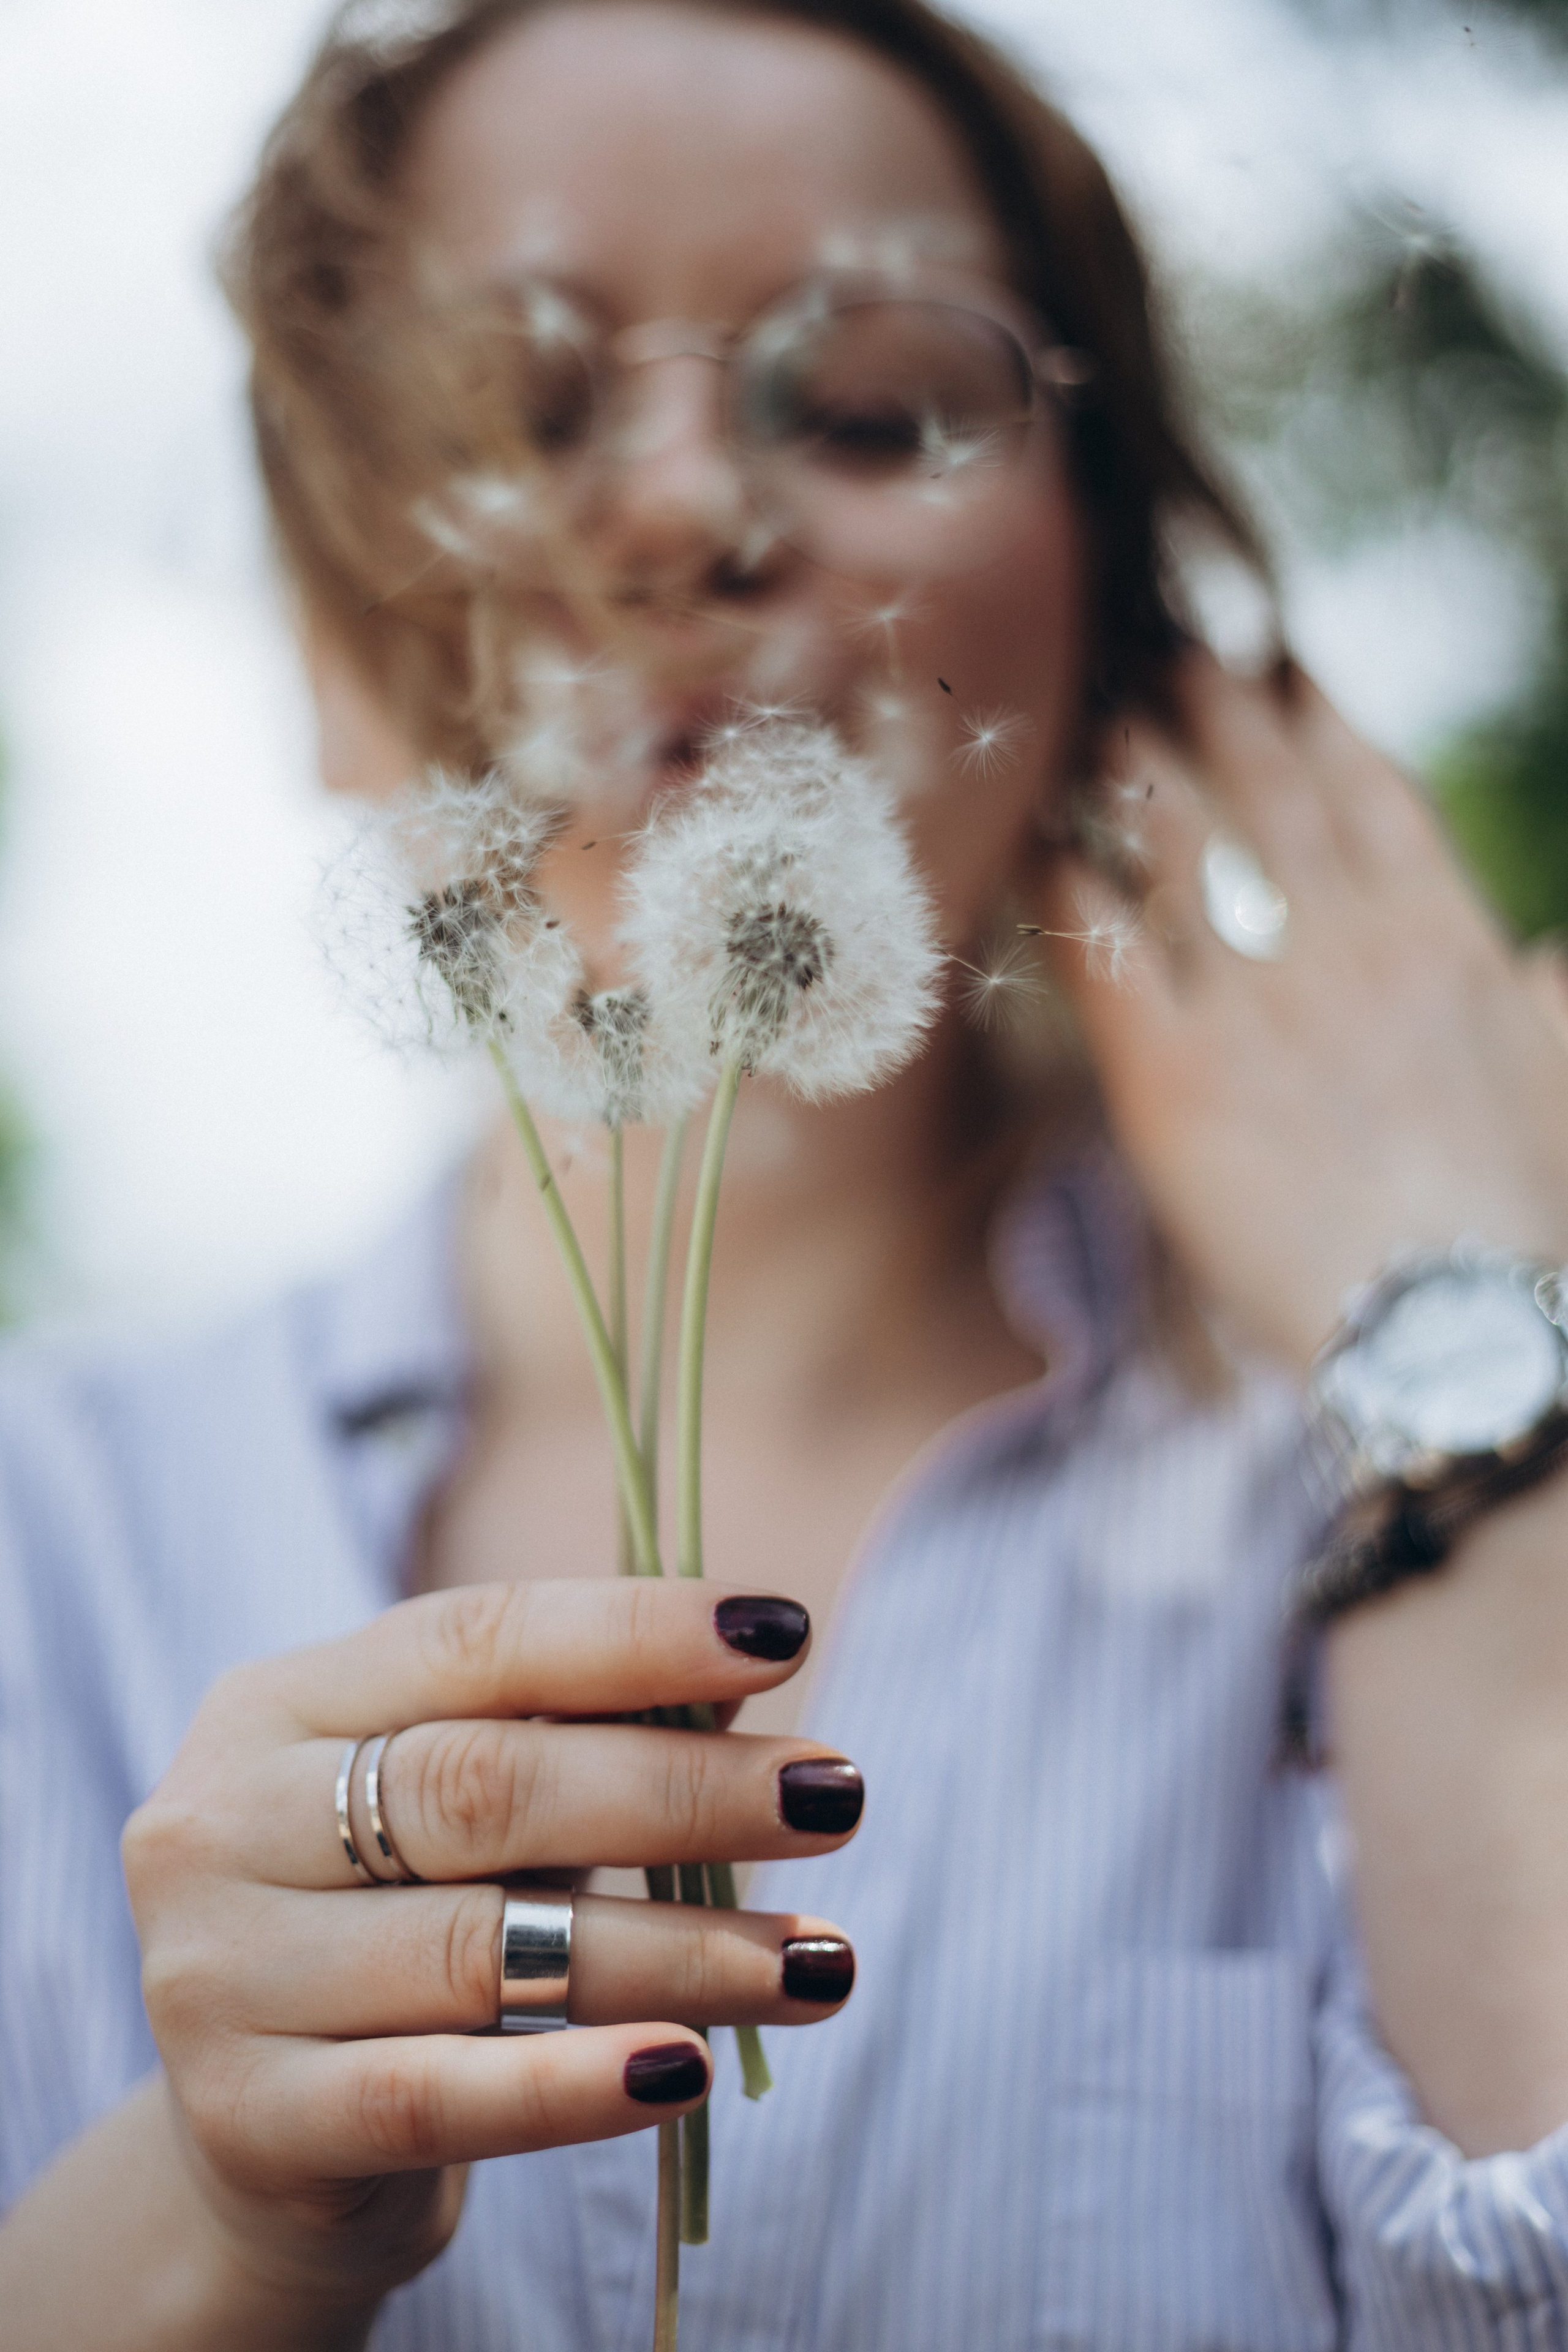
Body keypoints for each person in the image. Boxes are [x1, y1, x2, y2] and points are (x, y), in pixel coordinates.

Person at [4, 1, 1568, 2344]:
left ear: (1107, 597)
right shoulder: (46, 1539)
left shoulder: (1415, 1472)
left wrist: (1463, 1360)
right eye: (520, 409)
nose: (686, 510)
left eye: (863, 407)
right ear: (325, 644)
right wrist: (233, 2211)